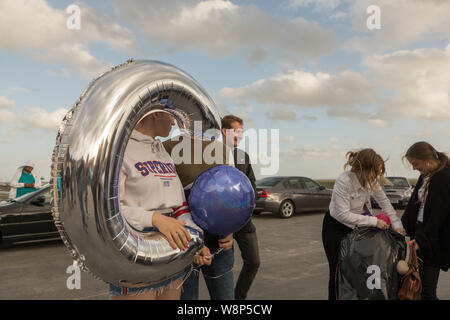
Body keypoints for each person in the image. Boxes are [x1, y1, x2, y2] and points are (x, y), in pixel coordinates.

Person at [110, 106, 211, 300]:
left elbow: (179, 206)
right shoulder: (119, 149)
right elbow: (110, 211)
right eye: (171, 117)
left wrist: (195, 242)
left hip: (171, 254)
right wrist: (155, 218)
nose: (174, 123)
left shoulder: (161, 149)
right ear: (156, 114)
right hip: (137, 255)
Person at [321, 149, 406, 300]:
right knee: (338, 270)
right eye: (375, 171)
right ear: (365, 168)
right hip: (335, 227)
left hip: (356, 226)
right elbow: (341, 214)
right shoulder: (344, 180)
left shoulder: (370, 180)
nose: (377, 176)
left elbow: (385, 203)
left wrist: (397, 225)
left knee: (357, 269)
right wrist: (374, 221)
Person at [164, 130, 236, 300]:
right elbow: (164, 200)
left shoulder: (224, 149)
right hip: (184, 243)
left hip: (220, 243)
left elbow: (233, 196)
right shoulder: (166, 147)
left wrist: (231, 229)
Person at [401, 141, 450, 300]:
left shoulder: (443, 177)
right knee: (419, 289)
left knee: (427, 292)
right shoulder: (426, 176)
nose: (414, 168)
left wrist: (422, 240)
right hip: (422, 233)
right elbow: (413, 206)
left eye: (415, 163)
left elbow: (438, 215)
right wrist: (401, 227)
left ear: (428, 159)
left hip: (433, 239)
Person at [221, 115, 260, 300]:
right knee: (224, 268)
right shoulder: (211, 154)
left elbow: (252, 186)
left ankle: (239, 299)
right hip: (221, 223)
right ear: (224, 132)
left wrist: (247, 207)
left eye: (242, 132)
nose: (241, 135)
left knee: (253, 262)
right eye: (237, 131)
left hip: (244, 220)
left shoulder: (243, 156)